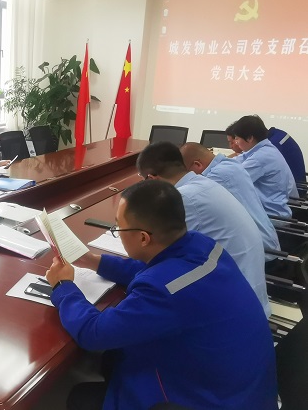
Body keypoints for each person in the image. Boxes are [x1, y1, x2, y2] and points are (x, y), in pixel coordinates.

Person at [46, 180, 277, 410]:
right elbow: (155, 269)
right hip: (247, 388)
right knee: (113, 358)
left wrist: (63, 286)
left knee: (82, 396)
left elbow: (93, 333)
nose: (117, 233)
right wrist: (94, 261)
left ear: (143, 238)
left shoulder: (163, 291)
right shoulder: (203, 245)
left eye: (118, 228)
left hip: (212, 400)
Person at [136, 142, 270, 316]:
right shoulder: (203, 182)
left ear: (152, 179)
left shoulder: (185, 198)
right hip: (246, 288)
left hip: (237, 305)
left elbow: (159, 252)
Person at [180, 142, 280, 255]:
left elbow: (189, 199)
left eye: (187, 173)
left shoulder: (216, 177)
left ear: (197, 165)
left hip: (260, 249)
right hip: (263, 238)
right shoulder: (229, 164)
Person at [231, 115, 298, 218]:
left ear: (250, 138)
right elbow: (239, 160)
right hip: (268, 210)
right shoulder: (264, 148)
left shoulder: (261, 157)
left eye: (237, 139)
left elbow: (233, 180)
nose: (236, 143)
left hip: (271, 217)